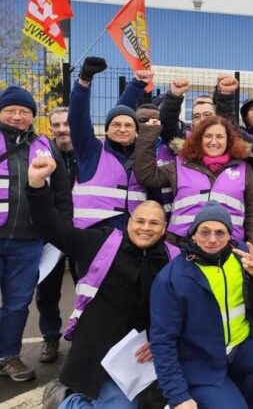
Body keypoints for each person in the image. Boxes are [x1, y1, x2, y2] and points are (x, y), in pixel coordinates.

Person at [27, 156, 179, 409]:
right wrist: (36, 185)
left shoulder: (173, 258)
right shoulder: (100, 243)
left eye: (154, 223)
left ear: (164, 228)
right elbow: (52, 228)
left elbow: (184, 309)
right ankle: (68, 400)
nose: (145, 228)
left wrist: (161, 339)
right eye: (139, 221)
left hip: (143, 358)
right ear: (129, 222)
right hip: (96, 351)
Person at [150, 201, 253, 409]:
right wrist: (177, 397)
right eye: (205, 232)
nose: (212, 239)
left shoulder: (238, 253)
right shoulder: (170, 279)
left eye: (220, 233)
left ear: (230, 236)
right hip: (201, 364)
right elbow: (162, 342)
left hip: (239, 348)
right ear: (193, 234)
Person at [0, 86, 72, 382]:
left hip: (29, 241)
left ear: (32, 115)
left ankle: (9, 356)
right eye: (10, 110)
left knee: (18, 302)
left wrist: (62, 229)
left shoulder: (44, 144)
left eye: (24, 111)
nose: (17, 116)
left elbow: (61, 191)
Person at [133, 116, 253, 251]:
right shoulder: (180, 163)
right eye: (208, 136)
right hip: (181, 246)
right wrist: (149, 133)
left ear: (228, 140)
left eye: (219, 136)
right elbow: (146, 176)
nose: (213, 141)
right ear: (199, 139)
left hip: (229, 247)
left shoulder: (244, 168)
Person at [69, 57, 153, 230]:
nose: (122, 129)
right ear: (106, 130)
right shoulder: (91, 151)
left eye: (128, 125)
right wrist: (84, 81)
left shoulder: (144, 156)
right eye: (116, 125)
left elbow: (121, 112)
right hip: (93, 240)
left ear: (137, 131)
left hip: (133, 239)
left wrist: (137, 85)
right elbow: (77, 118)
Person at [35, 106, 78, 365]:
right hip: (51, 233)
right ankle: (50, 337)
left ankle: (84, 335)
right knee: (47, 288)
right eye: (57, 125)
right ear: (50, 128)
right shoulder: (40, 155)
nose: (62, 129)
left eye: (67, 123)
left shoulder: (88, 153)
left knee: (86, 285)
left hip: (81, 231)